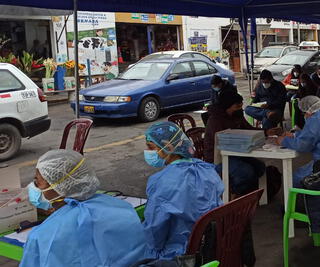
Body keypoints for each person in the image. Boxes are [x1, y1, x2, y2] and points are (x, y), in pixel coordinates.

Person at [21, 150, 146, 267]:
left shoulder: (42, 236)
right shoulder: (122, 208)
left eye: (37, 182)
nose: (33, 186)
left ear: (57, 186)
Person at [143, 122, 224, 260]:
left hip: (179, 253)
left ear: (168, 146)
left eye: (151, 147)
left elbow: (154, 231)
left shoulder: (161, 182)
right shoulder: (207, 169)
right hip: (211, 244)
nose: (148, 152)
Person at [204, 91, 276, 195]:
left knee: (260, 167)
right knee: (246, 172)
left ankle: (251, 191)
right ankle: (236, 194)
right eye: (237, 106)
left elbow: (248, 129)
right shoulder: (215, 120)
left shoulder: (237, 115)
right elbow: (223, 143)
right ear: (227, 106)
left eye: (241, 106)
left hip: (236, 153)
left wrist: (265, 132)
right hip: (217, 158)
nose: (240, 109)